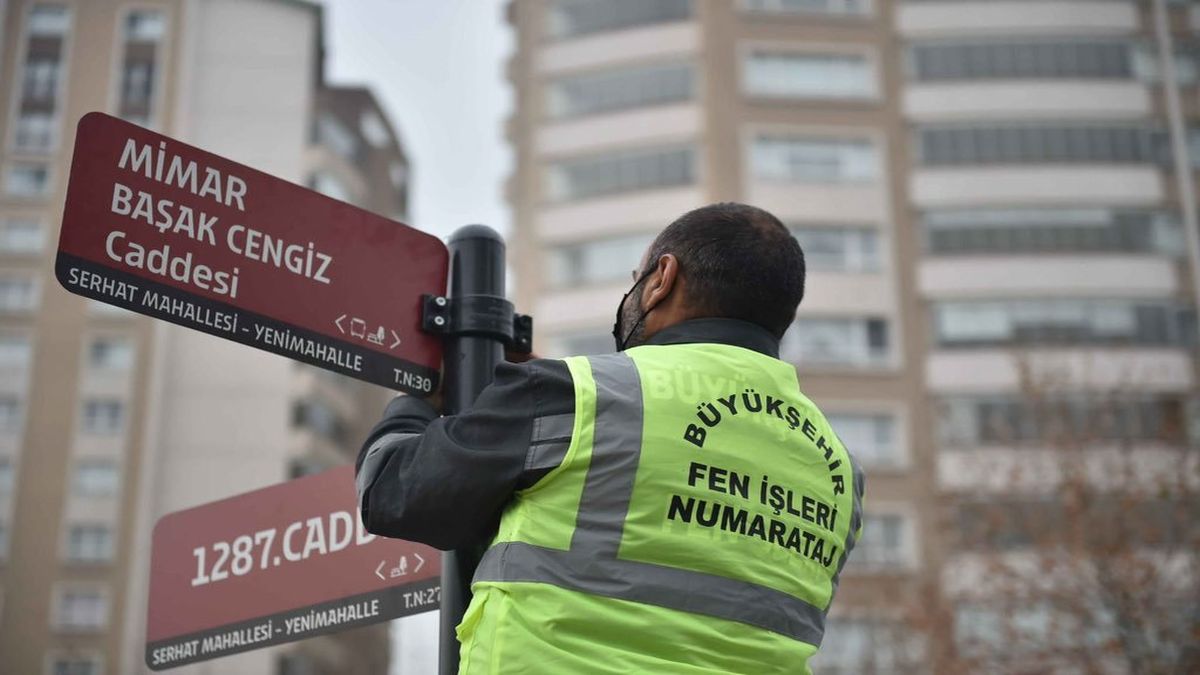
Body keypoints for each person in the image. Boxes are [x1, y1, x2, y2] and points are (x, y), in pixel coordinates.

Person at [356, 202, 865, 674]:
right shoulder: (841, 470)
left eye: (635, 278)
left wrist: (419, 402)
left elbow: (392, 492)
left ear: (661, 279)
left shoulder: (578, 396)